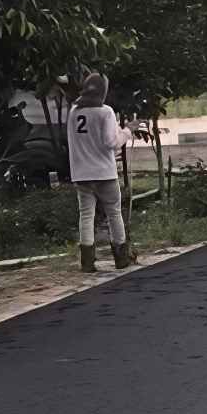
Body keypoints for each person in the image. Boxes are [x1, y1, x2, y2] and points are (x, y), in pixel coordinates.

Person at [67, 73, 135, 272]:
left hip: (81, 174)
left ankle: (87, 262)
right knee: (114, 213)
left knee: (86, 216)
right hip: (104, 173)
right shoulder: (106, 112)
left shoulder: (73, 112)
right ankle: (121, 258)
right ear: (103, 91)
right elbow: (111, 142)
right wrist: (128, 131)